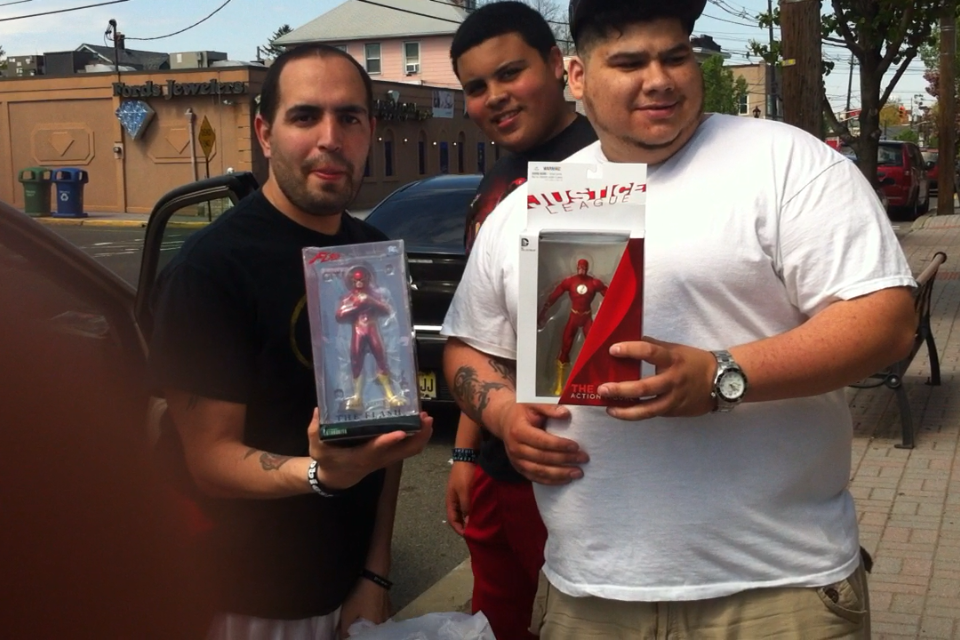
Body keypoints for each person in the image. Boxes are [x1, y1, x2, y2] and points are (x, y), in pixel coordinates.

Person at [441, 0, 918, 637]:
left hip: (778, 588)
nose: (659, 79)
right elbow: (469, 345)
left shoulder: (786, 163)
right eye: (630, 63)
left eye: (675, 56)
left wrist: (724, 374)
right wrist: (502, 413)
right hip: (590, 594)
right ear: (578, 76)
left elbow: (885, 319)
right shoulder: (533, 203)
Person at [149, 43, 433, 640]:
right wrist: (320, 474)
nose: (330, 138)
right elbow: (209, 460)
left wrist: (375, 574)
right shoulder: (211, 269)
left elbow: (386, 442)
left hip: (348, 594)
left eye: (349, 118)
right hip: (245, 601)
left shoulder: (372, 253)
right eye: (305, 116)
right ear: (265, 132)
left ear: (370, 131)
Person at [444, 3, 598, 639]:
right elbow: (483, 333)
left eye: (510, 73)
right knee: (495, 621)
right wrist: (465, 451)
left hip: (571, 461)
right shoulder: (497, 180)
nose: (495, 97)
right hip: (497, 458)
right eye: (477, 86)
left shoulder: (604, 167)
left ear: (558, 65)